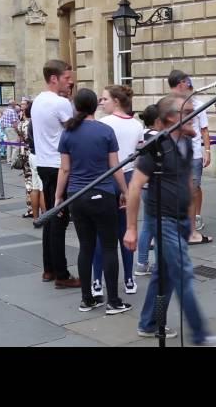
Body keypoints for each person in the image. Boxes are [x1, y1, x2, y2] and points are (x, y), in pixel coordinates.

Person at [123, 93, 216, 345]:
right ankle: (200, 335)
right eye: (186, 113)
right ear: (169, 119)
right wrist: (131, 229)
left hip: (179, 220)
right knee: (184, 275)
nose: (193, 117)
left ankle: (148, 322)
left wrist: (190, 222)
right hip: (161, 220)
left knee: (163, 275)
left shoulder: (186, 143)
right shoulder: (156, 147)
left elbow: (187, 182)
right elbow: (135, 188)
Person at [55, 88, 132, 314]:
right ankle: (114, 301)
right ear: (94, 106)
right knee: (109, 247)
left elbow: (65, 168)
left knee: (85, 247)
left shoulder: (67, 133)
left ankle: (87, 299)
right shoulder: (105, 131)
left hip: (77, 196)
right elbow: (115, 167)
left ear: (76, 107)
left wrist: (59, 196)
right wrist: (125, 191)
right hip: (103, 194)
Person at [31, 59, 80, 288]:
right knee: (59, 218)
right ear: (54, 78)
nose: (71, 83)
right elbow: (76, 129)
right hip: (57, 165)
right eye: (67, 79)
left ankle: (49, 269)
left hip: (43, 163)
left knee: (51, 216)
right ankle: (61, 274)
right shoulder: (60, 103)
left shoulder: (38, 100)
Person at [91, 85, 143, 298]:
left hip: (105, 178)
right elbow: (139, 157)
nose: (102, 103)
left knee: (100, 233)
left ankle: (96, 280)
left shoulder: (101, 124)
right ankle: (129, 278)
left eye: (105, 99)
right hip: (129, 178)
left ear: (116, 101)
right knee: (127, 230)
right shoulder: (137, 126)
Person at [167, 70, 213, 243]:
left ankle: (193, 225)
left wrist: (207, 151)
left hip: (193, 155)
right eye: (187, 83)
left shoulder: (198, 104)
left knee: (193, 189)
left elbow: (204, 129)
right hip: (175, 153)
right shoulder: (169, 104)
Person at [134, 104, 159, 276]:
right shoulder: (159, 138)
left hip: (143, 185)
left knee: (148, 225)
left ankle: (142, 263)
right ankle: (159, 266)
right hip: (156, 185)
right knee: (158, 227)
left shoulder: (141, 135)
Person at [25, 102, 46, 225]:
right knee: (43, 188)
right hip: (40, 155)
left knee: (35, 187)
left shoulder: (30, 122)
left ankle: (36, 217)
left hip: (32, 155)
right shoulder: (38, 122)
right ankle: (45, 216)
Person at [17, 101, 34, 218]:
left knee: (28, 181)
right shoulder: (35, 123)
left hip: (24, 153)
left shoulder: (21, 124)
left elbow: (20, 138)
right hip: (34, 152)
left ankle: (30, 207)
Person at [1, 98, 20, 164]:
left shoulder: (5, 110)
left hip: (6, 129)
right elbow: (15, 123)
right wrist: (18, 131)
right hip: (11, 129)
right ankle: (13, 161)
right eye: (15, 103)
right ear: (13, 104)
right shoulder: (12, 111)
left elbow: (2, 122)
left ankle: (8, 160)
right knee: (16, 146)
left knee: (9, 145)